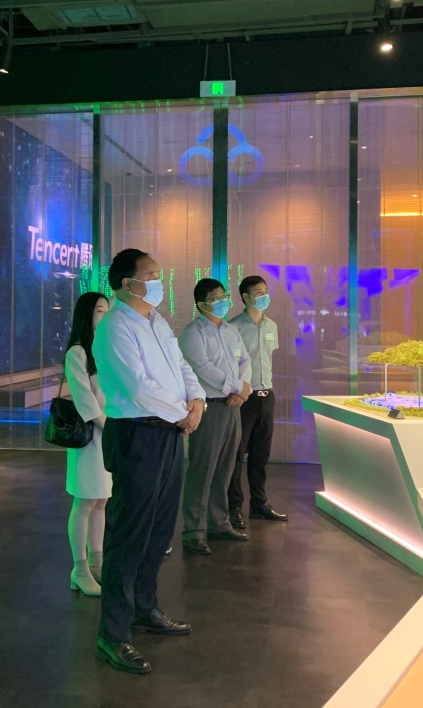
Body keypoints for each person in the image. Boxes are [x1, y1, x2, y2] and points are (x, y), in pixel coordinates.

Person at [92, 248, 206, 675]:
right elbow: (137, 386)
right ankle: (113, 634)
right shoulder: (115, 326)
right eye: (152, 275)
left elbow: (182, 367)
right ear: (127, 283)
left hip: (168, 433)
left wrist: (196, 400)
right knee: (129, 535)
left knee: (158, 529)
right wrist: (182, 413)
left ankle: (145, 608)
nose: (160, 281)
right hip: (137, 434)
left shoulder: (156, 322)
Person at [179, 279, 252, 554]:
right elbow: (203, 367)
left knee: (225, 468)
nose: (223, 301)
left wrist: (242, 390)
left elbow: (245, 361)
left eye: (223, 296)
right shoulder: (193, 333)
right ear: (202, 304)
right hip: (208, 407)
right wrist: (236, 387)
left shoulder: (231, 330)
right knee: (203, 469)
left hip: (233, 407)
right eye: (216, 298)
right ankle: (193, 531)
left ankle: (219, 523)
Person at [228, 275, 289, 528]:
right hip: (244, 397)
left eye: (266, 291)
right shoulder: (233, 327)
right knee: (236, 453)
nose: (264, 296)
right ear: (245, 297)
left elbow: (267, 358)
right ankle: (233, 506)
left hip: (266, 395)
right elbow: (231, 364)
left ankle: (259, 503)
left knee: (261, 454)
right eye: (259, 292)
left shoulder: (271, 326)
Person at [64, 292, 113, 597]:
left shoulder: (105, 349)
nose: (104, 316)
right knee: (85, 502)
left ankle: (96, 562)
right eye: (99, 311)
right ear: (86, 315)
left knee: (101, 501)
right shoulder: (78, 352)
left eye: (107, 310)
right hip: (90, 439)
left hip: (107, 436)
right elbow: (86, 401)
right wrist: (110, 427)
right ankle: (79, 568)